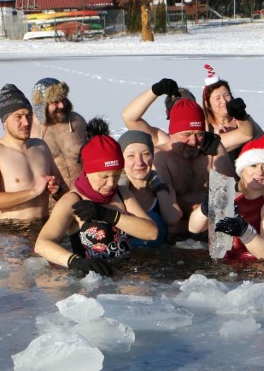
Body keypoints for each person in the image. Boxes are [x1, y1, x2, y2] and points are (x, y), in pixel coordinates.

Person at [34, 118, 158, 276]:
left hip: (125, 273)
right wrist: (75, 262)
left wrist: (108, 215)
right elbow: (42, 244)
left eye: (116, 175)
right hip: (91, 280)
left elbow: (151, 232)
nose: (111, 183)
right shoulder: (72, 200)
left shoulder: (121, 193)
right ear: (87, 171)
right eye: (104, 176)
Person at [189, 134, 264, 260]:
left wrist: (243, 230)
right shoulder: (231, 197)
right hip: (226, 269)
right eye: (253, 165)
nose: (259, 172)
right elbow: (194, 228)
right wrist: (205, 209)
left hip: (263, 273)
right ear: (242, 170)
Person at [0, 84, 66, 221]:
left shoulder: (41, 146)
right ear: (4, 121)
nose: (26, 122)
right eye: (18, 117)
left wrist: (57, 189)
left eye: (29, 116)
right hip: (12, 230)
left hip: (44, 225)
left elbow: (64, 192)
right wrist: (34, 191)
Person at [153, 97, 235, 235]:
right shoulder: (161, 157)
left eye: (199, 134)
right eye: (186, 134)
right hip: (177, 231)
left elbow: (228, 190)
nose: (193, 141)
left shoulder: (212, 149)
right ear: (171, 133)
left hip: (212, 226)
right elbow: (168, 210)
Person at [118, 129, 183, 246]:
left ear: (153, 157)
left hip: (160, 260)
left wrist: (159, 187)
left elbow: (172, 219)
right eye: (131, 156)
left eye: (146, 154)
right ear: (121, 160)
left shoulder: (165, 190)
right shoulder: (115, 194)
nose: (139, 162)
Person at [201, 64, 264, 166]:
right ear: (208, 104)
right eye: (217, 98)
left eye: (226, 95)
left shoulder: (243, 120)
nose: (224, 101)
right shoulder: (206, 127)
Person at [30, 78, 87, 189]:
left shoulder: (77, 122)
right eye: (55, 102)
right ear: (41, 104)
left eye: (63, 99)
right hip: (50, 201)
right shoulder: (30, 130)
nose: (61, 105)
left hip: (83, 196)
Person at [121, 78, 190, 150]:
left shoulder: (202, 139)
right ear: (168, 113)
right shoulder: (164, 141)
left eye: (190, 105)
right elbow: (129, 118)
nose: (185, 111)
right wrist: (156, 90)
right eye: (179, 108)